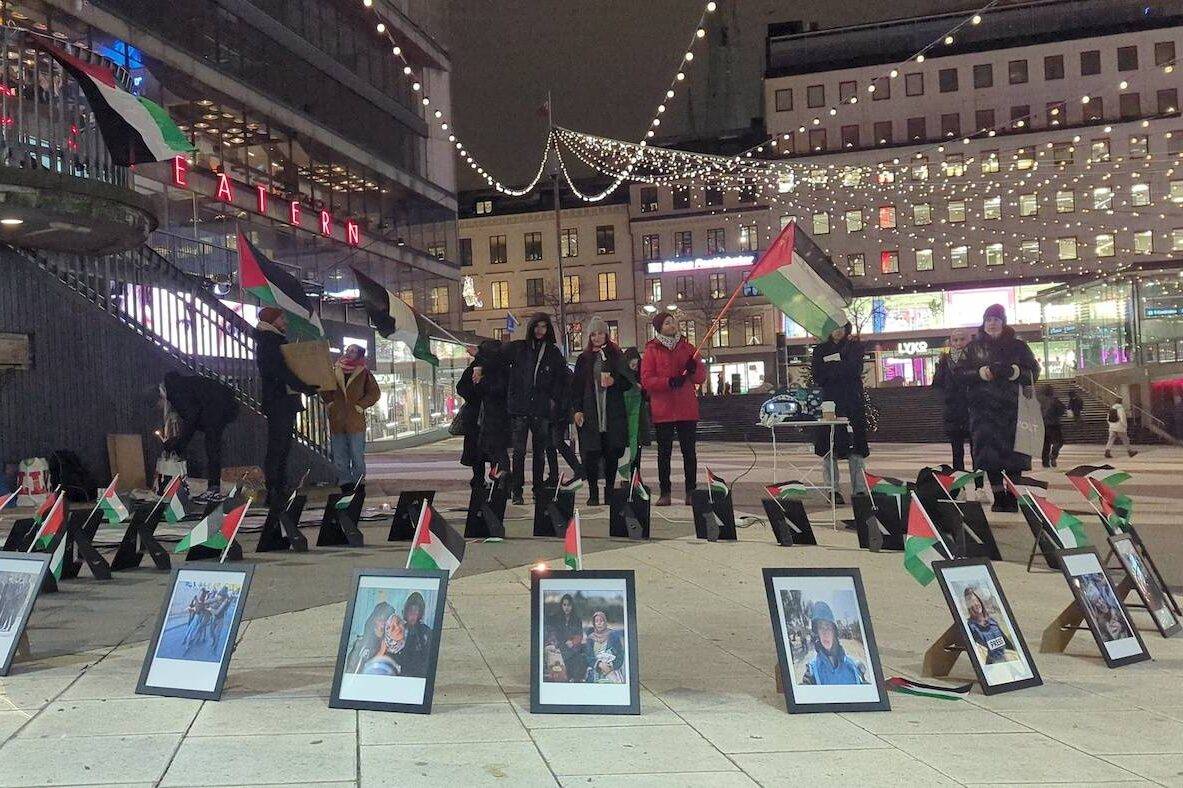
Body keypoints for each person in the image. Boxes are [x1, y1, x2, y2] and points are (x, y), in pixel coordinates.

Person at [955, 304, 1040, 513]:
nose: (992, 323)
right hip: (984, 411)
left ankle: (1012, 495)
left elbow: (1033, 372)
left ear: (1003, 322)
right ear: (984, 323)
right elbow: (959, 374)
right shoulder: (973, 348)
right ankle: (998, 495)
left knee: (1014, 457)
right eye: (989, 320)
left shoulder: (1018, 346)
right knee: (989, 456)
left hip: (1013, 409)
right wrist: (981, 372)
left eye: (996, 319)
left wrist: (1014, 371)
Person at [255, 307, 319, 506]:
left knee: (281, 447)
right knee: (279, 447)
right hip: (279, 401)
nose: (286, 322)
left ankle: (277, 488)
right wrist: (304, 387)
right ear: (273, 321)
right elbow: (281, 371)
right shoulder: (270, 342)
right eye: (282, 318)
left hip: (280, 401)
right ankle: (274, 490)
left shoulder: (271, 341)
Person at [641, 313, 706, 506]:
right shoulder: (652, 350)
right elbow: (647, 380)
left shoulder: (688, 348)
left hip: (686, 407)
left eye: (673, 322)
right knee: (664, 452)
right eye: (667, 323)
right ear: (659, 328)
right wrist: (668, 382)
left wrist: (694, 368)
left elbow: (700, 377)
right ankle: (665, 491)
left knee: (689, 452)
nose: (672, 325)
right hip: (664, 410)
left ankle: (691, 491)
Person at [505, 313, 567, 504]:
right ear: (531, 328)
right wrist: (479, 365)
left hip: (541, 410)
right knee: (519, 452)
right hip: (521, 409)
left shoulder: (553, 353)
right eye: (537, 326)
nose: (540, 330)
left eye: (544, 327)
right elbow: (496, 354)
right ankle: (517, 491)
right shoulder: (519, 349)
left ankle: (537, 489)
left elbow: (561, 379)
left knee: (539, 453)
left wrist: (552, 400)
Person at [571, 316, 631, 506]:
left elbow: (628, 381)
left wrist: (615, 381)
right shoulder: (583, 358)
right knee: (591, 453)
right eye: (593, 334)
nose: (596, 337)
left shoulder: (616, 355)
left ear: (607, 334)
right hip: (591, 410)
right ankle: (593, 493)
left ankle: (610, 490)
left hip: (611, 411)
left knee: (611, 452)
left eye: (600, 333)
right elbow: (577, 387)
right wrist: (577, 409)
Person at [810, 316, 869, 504]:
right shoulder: (820, 350)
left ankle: (859, 489)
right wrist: (840, 367)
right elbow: (818, 375)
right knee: (829, 447)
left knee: (856, 447)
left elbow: (854, 369)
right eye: (834, 327)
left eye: (841, 327)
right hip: (830, 403)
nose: (838, 331)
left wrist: (833, 368)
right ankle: (832, 490)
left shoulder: (854, 347)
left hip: (852, 402)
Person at [159, 371, 240, 505]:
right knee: (213, 445)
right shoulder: (181, 386)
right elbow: (193, 416)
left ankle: (214, 489)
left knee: (212, 446)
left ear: (161, 396)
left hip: (217, 407)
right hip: (223, 404)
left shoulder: (175, 392)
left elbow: (191, 418)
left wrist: (180, 445)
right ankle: (214, 487)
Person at [321, 344, 380, 492]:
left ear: (359, 354)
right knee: (340, 455)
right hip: (337, 419)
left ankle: (359, 482)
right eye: (347, 350)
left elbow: (374, 393)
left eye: (353, 351)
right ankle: (345, 483)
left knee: (356, 454)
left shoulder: (364, 373)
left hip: (355, 420)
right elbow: (325, 388)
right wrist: (330, 402)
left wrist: (361, 405)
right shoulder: (335, 370)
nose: (348, 353)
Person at [457, 340, 511, 487]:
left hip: (494, 418)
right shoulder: (476, 367)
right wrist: (475, 389)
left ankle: (501, 481)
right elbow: (461, 387)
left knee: (497, 452)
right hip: (478, 418)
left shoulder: (500, 369)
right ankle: (480, 480)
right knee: (478, 453)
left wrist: (481, 383)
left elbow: (499, 390)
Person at [933, 329, 974, 476]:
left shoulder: (975, 358)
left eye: (962, 339)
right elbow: (937, 383)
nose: (958, 343)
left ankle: (979, 486)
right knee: (957, 453)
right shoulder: (945, 361)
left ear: (968, 340)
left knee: (976, 452)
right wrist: (939, 366)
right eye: (955, 340)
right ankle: (959, 486)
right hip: (954, 411)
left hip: (972, 409)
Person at [801, 601, 867, 685]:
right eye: (821, 627)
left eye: (828, 627)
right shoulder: (812, 671)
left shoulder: (854, 667)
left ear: (834, 631)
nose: (825, 633)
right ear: (817, 632)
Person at [619, 347, 652, 478]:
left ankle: (635, 476)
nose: (635, 367)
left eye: (637, 365)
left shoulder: (641, 376)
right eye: (632, 365)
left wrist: (643, 390)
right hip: (625, 420)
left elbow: (648, 395)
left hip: (638, 420)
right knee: (626, 450)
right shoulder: (622, 377)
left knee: (637, 449)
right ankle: (627, 476)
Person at [963, 587, 1016, 665]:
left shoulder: (992, 622)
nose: (976, 604)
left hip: (1007, 662)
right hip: (990, 667)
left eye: (977, 601)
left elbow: (1007, 645)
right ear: (969, 606)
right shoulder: (971, 627)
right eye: (972, 603)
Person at [546, 593, 587, 683]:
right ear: (561, 606)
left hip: (572, 647)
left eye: (569, 605)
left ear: (572, 606)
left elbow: (580, 635)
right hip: (559, 648)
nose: (566, 607)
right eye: (564, 605)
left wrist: (573, 642)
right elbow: (552, 633)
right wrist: (555, 644)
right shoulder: (555, 618)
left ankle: (576, 679)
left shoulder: (577, 619)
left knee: (580, 657)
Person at [344, 601, 395, 674]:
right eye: (380, 619)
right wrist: (381, 651)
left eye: (387, 620)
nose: (383, 624)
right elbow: (353, 672)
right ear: (374, 620)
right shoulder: (361, 644)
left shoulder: (393, 645)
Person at [583, 610, 626, 683]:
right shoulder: (590, 639)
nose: (599, 623)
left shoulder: (614, 636)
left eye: (601, 620)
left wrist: (611, 666)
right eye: (596, 621)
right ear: (594, 623)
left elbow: (620, 656)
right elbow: (588, 657)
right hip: (595, 671)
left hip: (611, 670)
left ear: (605, 622)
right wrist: (599, 664)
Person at [399, 592, 433, 678]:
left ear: (420, 613)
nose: (413, 614)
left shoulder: (426, 632)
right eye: (411, 610)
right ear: (406, 612)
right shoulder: (399, 629)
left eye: (416, 611)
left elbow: (428, 658)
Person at [1038, 384, 1067, 468]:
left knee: (1045, 444)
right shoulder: (1054, 400)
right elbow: (1062, 410)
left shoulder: (1039, 401)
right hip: (1054, 425)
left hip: (1043, 425)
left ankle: (1045, 462)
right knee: (1059, 441)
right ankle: (1053, 455)